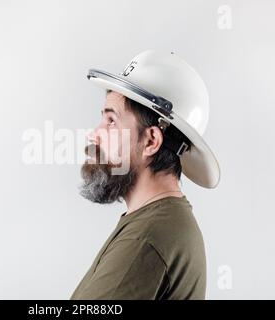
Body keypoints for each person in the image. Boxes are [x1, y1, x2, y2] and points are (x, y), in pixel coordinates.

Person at [70, 50, 220, 300]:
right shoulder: (161, 223)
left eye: (111, 121)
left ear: (151, 140)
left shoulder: (148, 237)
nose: (93, 135)